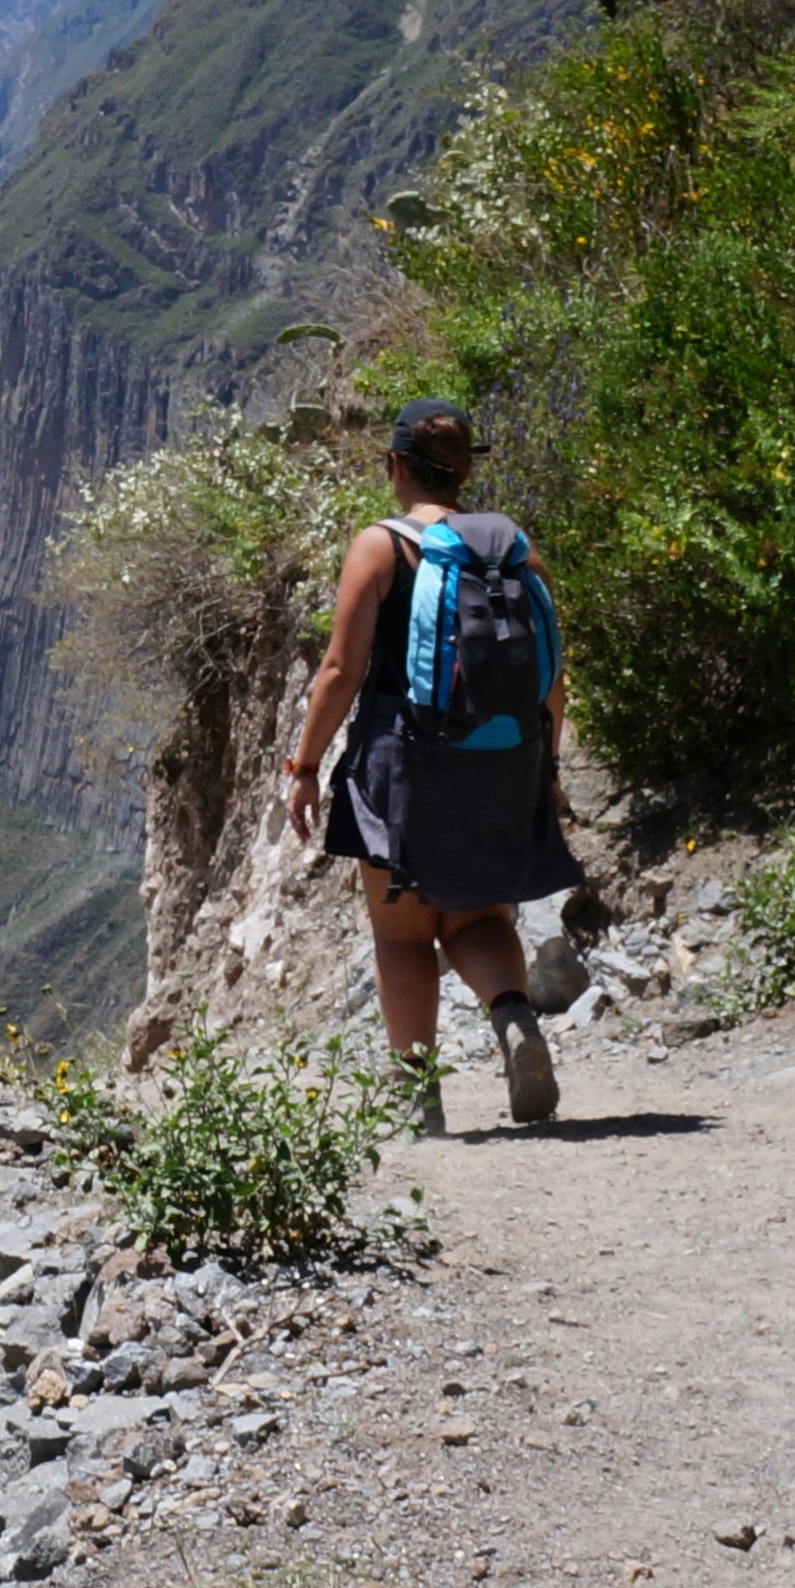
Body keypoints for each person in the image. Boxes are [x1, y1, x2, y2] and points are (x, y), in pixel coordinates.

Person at [277, 399, 575, 1130]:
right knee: (476, 916)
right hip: (505, 756)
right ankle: (514, 1019)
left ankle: (419, 1095)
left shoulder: (380, 547)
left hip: (401, 761)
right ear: (469, 468)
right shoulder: (513, 548)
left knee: (402, 933)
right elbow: (554, 679)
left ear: (396, 464)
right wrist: (545, 768)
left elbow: (341, 670)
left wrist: (306, 765)